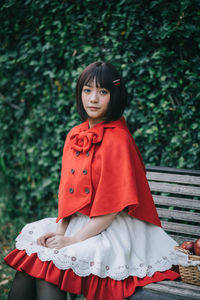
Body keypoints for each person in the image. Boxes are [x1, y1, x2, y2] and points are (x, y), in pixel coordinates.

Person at [4, 61, 180, 300]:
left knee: (50, 270)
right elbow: (68, 194)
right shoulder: (75, 134)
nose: (93, 99)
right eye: (87, 90)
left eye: (102, 91)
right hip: (80, 222)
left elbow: (112, 206)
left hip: (113, 227)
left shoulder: (119, 139)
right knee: (32, 262)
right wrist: (59, 233)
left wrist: (71, 240)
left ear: (114, 96)